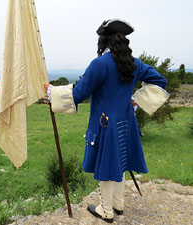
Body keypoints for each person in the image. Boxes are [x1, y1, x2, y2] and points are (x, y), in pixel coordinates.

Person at [44, 19, 169, 223]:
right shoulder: (134, 63)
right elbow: (160, 81)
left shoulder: (100, 64)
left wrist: (52, 92)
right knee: (119, 161)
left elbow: (78, 94)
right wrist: (136, 101)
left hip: (105, 124)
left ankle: (107, 210)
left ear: (104, 40)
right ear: (123, 41)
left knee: (106, 165)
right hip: (127, 122)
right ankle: (118, 204)